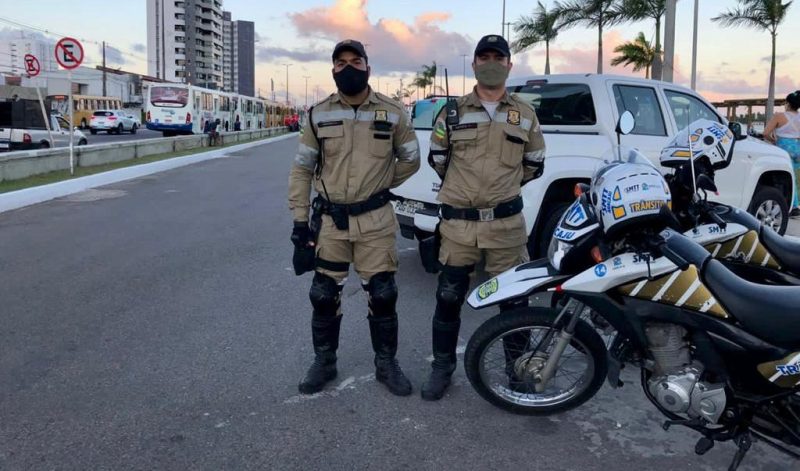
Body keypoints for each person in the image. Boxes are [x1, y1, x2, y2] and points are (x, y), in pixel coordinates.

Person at [288, 39, 421, 396]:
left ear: (368, 67)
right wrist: (300, 221)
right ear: (333, 70)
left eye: (355, 61)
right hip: (331, 223)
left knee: (383, 293)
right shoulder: (318, 115)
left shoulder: (393, 112)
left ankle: (386, 363)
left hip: (375, 222)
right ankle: (324, 362)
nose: (347, 68)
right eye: (340, 62)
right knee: (323, 293)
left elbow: (411, 159)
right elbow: (302, 170)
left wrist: (379, 185)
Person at [421, 34, 546, 401]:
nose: (491, 62)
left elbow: (534, 163)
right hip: (459, 225)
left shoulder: (524, 113)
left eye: (498, 57)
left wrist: (498, 191)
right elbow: (438, 159)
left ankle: (517, 368)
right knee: (448, 296)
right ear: (474, 64)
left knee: (515, 302)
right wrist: (469, 193)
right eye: (484, 56)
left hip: (507, 226)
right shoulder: (454, 111)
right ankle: (441, 367)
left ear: (509, 64)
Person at [764, 91, 800, 216]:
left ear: (788, 103)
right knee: (794, 178)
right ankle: (795, 206)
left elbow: (766, 133)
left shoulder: (779, 116)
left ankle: (788, 205)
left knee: (782, 178)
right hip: (797, 148)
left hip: (783, 148)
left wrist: (774, 141)